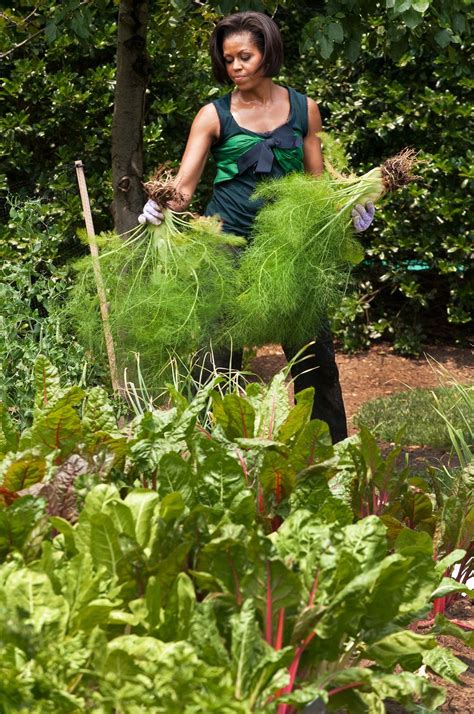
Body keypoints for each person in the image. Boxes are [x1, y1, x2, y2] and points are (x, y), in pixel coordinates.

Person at [139, 11, 375, 443]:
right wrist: (158, 207)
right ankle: (211, 454)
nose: (236, 67)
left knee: (315, 359)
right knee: (216, 358)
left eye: (244, 56)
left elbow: (317, 184)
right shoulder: (213, 115)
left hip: (291, 247)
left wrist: (351, 211)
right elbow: (183, 188)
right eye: (228, 60)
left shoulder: (304, 110)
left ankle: (331, 459)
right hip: (224, 245)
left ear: (267, 52)